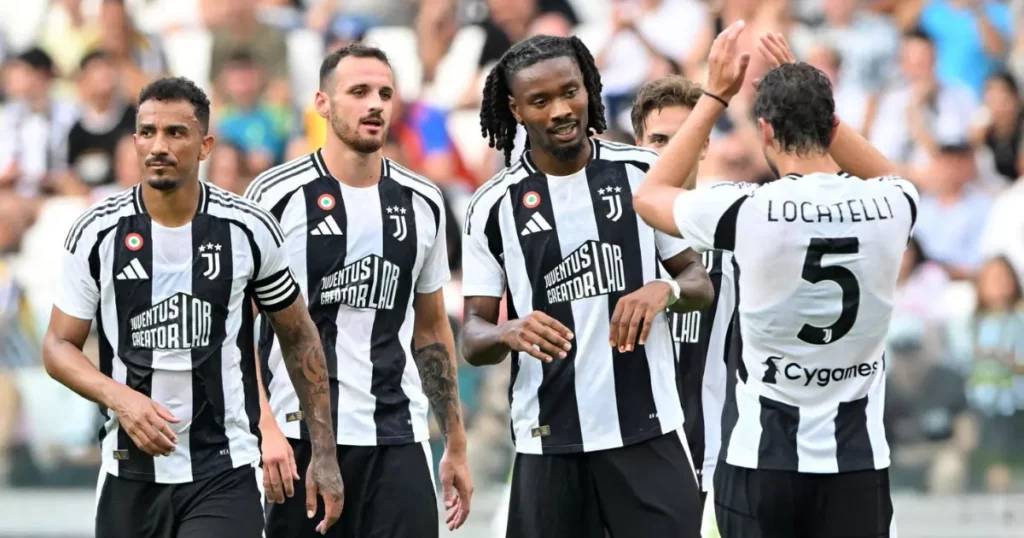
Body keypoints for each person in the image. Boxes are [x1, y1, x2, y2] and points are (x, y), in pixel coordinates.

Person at [633, 25, 917, 537]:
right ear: (831, 125)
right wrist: (805, 89)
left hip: (762, 458)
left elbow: (650, 194)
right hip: (856, 459)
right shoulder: (895, 203)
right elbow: (884, 172)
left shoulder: (748, 209)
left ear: (764, 131)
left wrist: (717, 95)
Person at [41, 77, 344, 538]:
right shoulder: (97, 233)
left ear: (205, 146)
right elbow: (58, 345)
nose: (157, 145)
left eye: (175, 133)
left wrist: (323, 452)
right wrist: (120, 399)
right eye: (147, 132)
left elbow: (299, 335)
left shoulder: (248, 229)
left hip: (223, 468)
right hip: (128, 472)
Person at [461, 34, 714, 538]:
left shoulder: (643, 174)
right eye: (540, 100)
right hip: (549, 438)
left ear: (588, 88)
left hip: (648, 428)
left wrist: (664, 290)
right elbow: (472, 335)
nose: (561, 109)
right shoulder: (493, 207)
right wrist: (509, 331)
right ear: (515, 110)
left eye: (570, 91)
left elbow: (698, 282)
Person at [244, 43, 473, 538]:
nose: (375, 104)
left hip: (398, 436)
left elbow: (432, 329)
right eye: (359, 91)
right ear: (322, 103)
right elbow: (237, 330)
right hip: (296, 436)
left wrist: (455, 442)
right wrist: (263, 429)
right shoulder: (274, 197)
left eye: (386, 94)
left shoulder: (423, 202)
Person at [630, 74, 737, 537]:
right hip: (629, 460)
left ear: (704, 144)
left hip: (714, 465)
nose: (668, 152)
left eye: (682, 138)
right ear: (637, 142)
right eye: (657, 140)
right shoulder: (612, 239)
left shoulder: (737, 232)